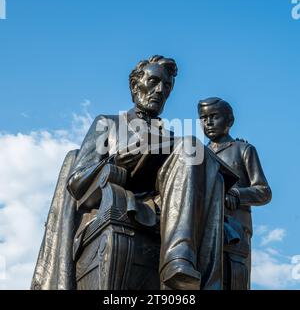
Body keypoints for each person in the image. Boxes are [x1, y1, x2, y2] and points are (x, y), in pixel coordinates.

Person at [32, 56, 230, 290]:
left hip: (163, 202)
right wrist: (116, 162)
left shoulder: (171, 137)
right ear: (136, 85)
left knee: (198, 153)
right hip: (115, 199)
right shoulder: (107, 123)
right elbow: (76, 182)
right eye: (154, 81)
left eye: (166, 86)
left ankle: (180, 260)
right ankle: (178, 257)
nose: (160, 90)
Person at [198, 97, 272, 289]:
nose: (208, 122)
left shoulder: (244, 149)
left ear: (229, 121)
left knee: (234, 281)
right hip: (206, 230)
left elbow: (264, 192)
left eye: (214, 116)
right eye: (203, 118)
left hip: (237, 232)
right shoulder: (199, 156)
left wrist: (237, 194)